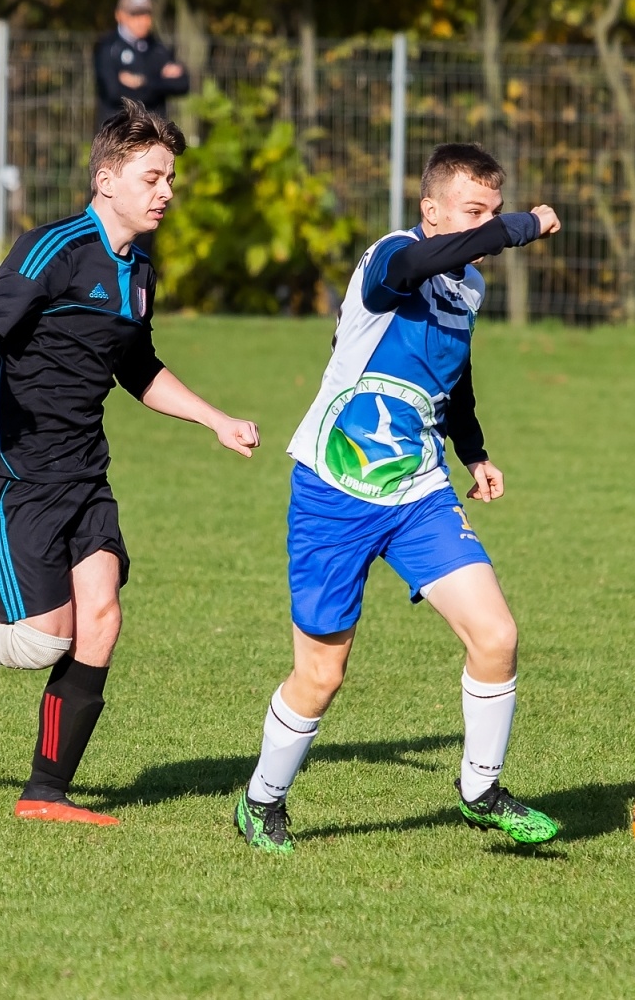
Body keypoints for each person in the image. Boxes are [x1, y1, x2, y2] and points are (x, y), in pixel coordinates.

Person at [0, 100, 261, 827]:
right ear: (106, 180)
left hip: (83, 471)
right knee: (39, 641)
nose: (166, 192)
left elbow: (138, 367)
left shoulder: (138, 271)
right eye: (152, 177)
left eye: (170, 180)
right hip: (12, 468)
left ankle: (45, 793)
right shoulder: (57, 247)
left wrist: (215, 419)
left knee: (101, 619)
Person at [233, 143, 562, 855]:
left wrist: (473, 452)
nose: (484, 228)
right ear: (431, 209)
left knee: (496, 636)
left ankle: (481, 790)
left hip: (418, 493)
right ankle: (262, 800)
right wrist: (518, 227)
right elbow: (416, 268)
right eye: (471, 213)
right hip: (333, 492)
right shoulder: (390, 257)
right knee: (321, 674)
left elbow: (457, 378)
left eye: (493, 214)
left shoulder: (467, 287)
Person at [94, 0, 191, 128]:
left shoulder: (158, 48)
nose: (142, 21)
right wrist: (161, 83)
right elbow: (113, 92)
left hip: (154, 130)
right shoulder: (108, 48)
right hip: (119, 131)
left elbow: (182, 84)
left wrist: (143, 82)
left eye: (146, 14)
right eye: (135, 15)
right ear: (119, 15)